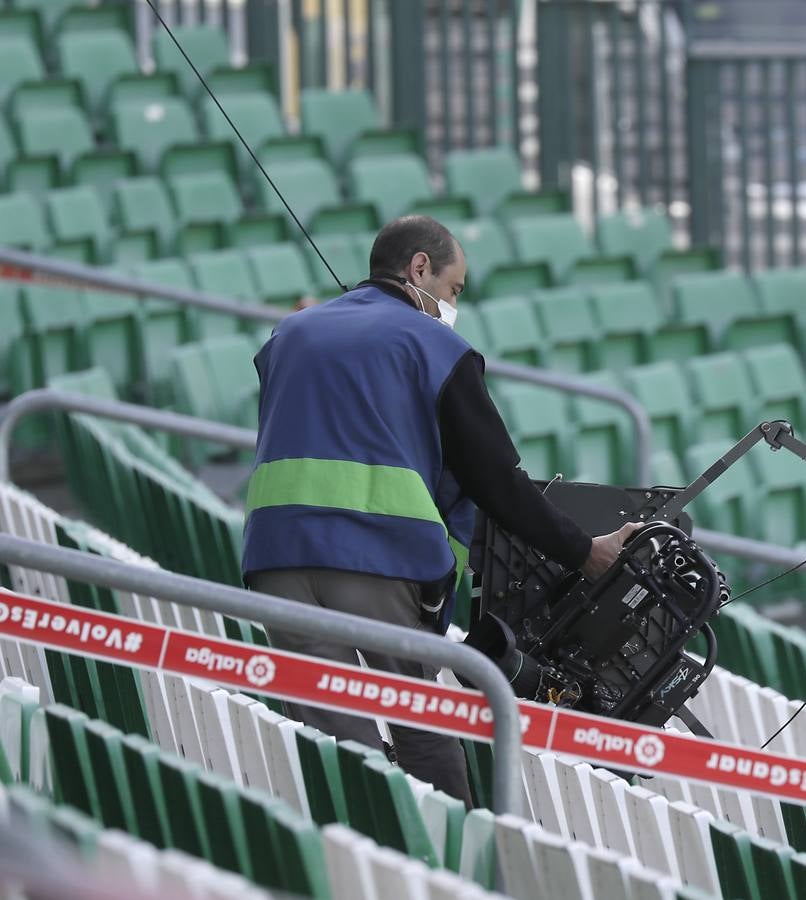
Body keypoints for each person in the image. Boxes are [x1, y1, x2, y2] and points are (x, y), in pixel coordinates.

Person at [241, 215, 638, 805]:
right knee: (420, 727)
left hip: (273, 559)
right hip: (373, 558)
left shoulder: (289, 334)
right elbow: (496, 482)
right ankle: (457, 870)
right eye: (454, 289)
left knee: (339, 742)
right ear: (419, 268)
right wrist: (586, 551)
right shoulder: (437, 345)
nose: (453, 306)